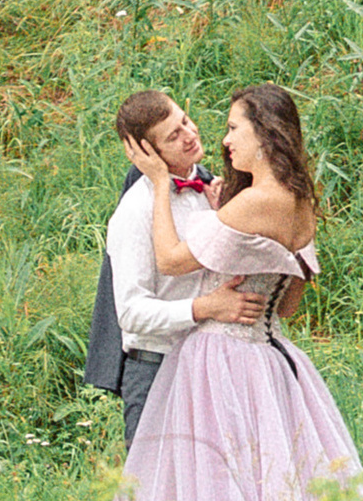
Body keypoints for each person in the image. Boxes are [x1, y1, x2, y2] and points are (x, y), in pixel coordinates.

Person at [113, 81, 363, 501]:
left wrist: (161, 186)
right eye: (177, 132)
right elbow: (288, 304)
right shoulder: (298, 200)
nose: (220, 139)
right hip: (272, 357)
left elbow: (172, 260)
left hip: (221, 358)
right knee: (281, 481)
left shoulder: (249, 203)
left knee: (211, 490)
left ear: (265, 135)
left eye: (232, 129)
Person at [82, 88, 262, 452]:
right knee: (155, 485)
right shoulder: (135, 212)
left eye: (185, 121)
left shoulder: (213, 190)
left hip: (216, 364)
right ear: (145, 152)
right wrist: (204, 308)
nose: (190, 135)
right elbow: (130, 313)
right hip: (156, 370)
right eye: (172, 136)